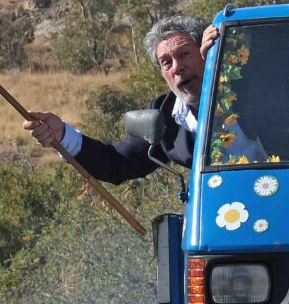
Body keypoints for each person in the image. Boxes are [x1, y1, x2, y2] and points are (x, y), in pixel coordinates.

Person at [24, 16, 215, 183]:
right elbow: (118, 163)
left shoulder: (242, 91)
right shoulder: (164, 114)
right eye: (166, 62)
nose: (177, 67)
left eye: (184, 55)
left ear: (206, 53)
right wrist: (62, 135)